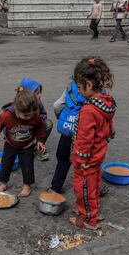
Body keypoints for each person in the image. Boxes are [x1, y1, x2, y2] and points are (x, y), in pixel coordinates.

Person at [69, 57, 116, 230]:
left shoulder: (89, 110)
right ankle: (93, 211)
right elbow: (110, 128)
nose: (79, 91)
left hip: (87, 160)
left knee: (83, 189)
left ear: (89, 85)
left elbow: (84, 139)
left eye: (80, 88)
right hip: (98, 154)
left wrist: (81, 159)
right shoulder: (106, 102)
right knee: (93, 185)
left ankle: (89, 219)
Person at [0, 88, 46, 197]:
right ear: (16, 108)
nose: (29, 117)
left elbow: (41, 126)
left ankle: (27, 186)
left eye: (31, 114)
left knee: (28, 166)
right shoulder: (6, 116)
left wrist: (40, 140)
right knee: (6, 164)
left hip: (27, 145)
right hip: (10, 144)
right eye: (25, 115)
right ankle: (4, 183)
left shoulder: (35, 115)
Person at [50, 80, 86, 193]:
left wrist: (61, 117)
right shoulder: (99, 91)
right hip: (86, 134)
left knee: (63, 158)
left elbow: (57, 105)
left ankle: (56, 187)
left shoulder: (72, 87)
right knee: (87, 162)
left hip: (68, 130)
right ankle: (91, 189)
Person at [19, 77, 52, 161]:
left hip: (34, 127)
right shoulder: (19, 104)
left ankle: (38, 147)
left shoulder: (38, 101)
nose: (40, 95)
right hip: (21, 129)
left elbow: (44, 113)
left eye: (40, 92)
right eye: (37, 93)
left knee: (48, 123)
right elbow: (8, 121)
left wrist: (39, 121)